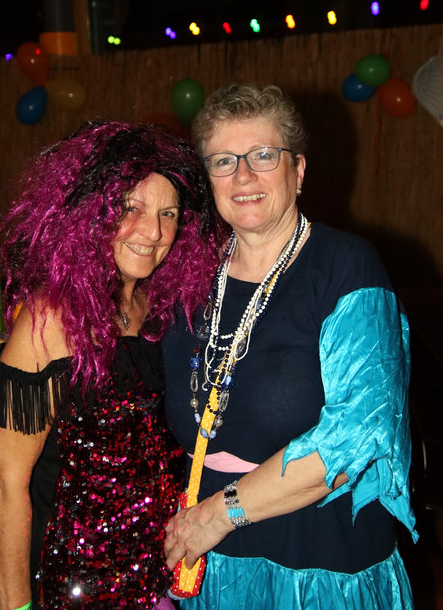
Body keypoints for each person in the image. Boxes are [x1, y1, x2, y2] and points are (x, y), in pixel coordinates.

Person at [163, 84, 416, 609]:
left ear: (298, 170)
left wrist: (217, 515)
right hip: (209, 568)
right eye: (223, 161)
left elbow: (356, 436)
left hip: (321, 568)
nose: (243, 176)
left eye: (263, 155)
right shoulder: (187, 276)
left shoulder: (346, 268)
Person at [0, 121, 221, 610]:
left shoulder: (160, 309)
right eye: (131, 208)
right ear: (93, 214)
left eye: (168, 214)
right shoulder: (50, 317)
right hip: (72, 588)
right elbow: (4, 482)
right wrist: (16, 606)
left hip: (153, 578)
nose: (153, 232)